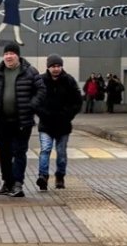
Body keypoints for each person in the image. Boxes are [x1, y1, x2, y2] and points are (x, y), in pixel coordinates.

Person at [0, 43, 43, 197]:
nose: (8, 56)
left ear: (18, 56)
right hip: (1, 121)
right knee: (4, 153)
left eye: (12, 53)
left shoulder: (30, 72)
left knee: (19, 152)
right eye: (6, 54)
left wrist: (31, 106)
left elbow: (41, 90)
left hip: (22, 121)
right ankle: (7, 183)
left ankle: (17, 184)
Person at [36, 54, 82, 191]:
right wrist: (43, 114)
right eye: (53, 66)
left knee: (61, 152)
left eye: (58, 66)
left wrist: (67, 115)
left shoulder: (69, 81)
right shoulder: (41, 81)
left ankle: (60, 176)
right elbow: (35, 101)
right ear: (48, 67)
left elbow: (77, 101)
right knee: (45, 150)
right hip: (46, 124)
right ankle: (43, 176)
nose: (56, 69)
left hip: (63, 125)